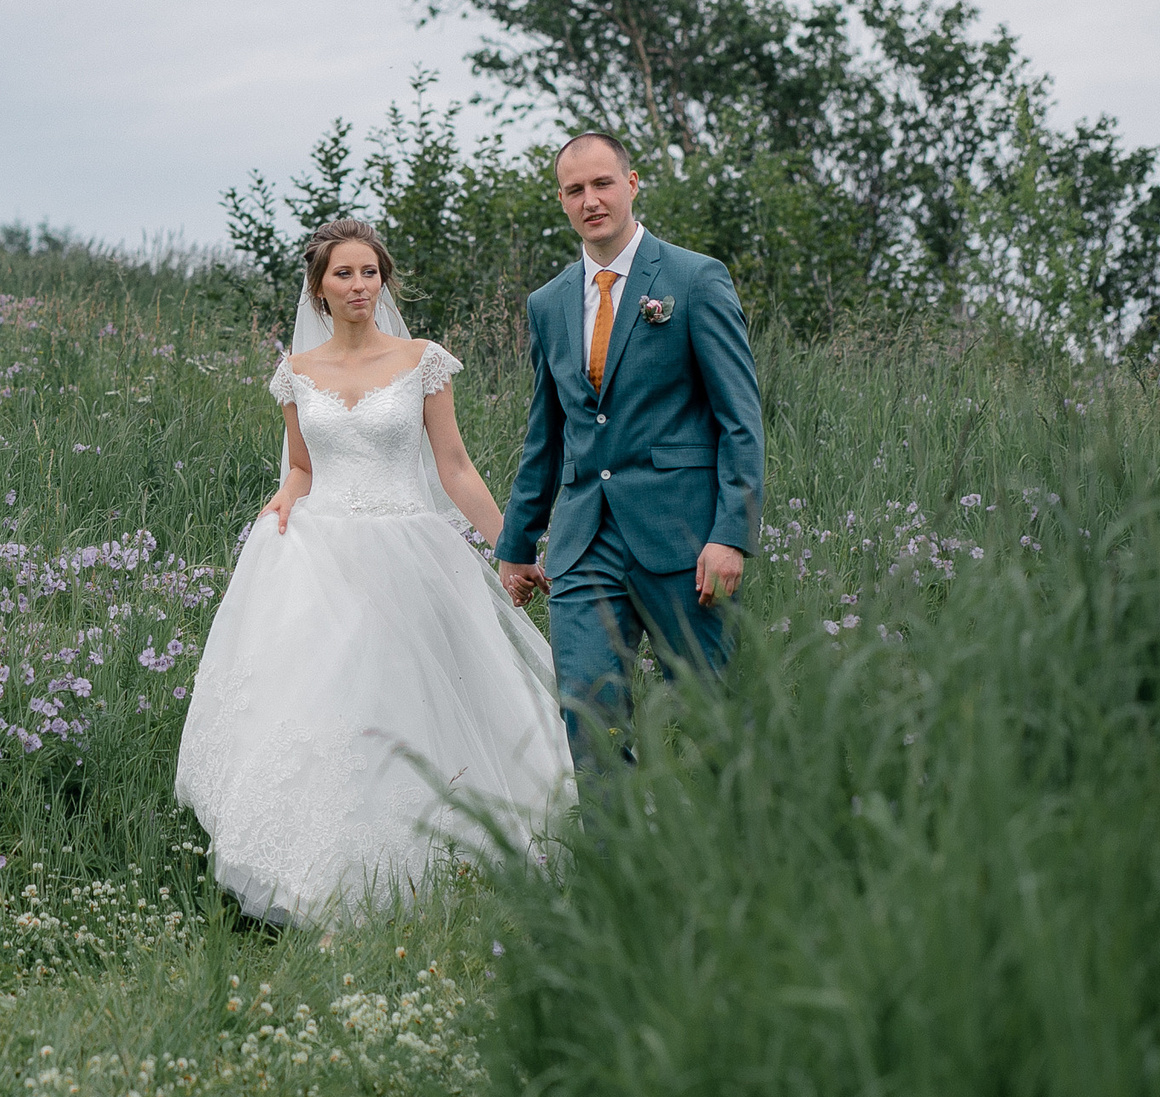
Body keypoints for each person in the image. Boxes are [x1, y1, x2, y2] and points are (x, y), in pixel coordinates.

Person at [175, 219, 572, 924]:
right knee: (322, 707)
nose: (359, 285)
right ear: (319, 289)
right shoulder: (297, 372)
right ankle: (318, 878)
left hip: (407, 549)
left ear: (383, 281)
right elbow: (303, 466)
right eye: (344, 274)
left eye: (370, 272)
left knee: (414, 700)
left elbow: (454, 467)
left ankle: (440, 867)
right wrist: (283, 501)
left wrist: (511, 546)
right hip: (317, 555)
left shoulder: (422, 361)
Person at [493, 133, 765, 765]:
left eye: (602, 184)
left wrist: (731, 534)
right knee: (590, 716)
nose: (590, 200)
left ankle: (735, 827)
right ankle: (611, 833)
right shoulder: (548, 303)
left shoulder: (694, 279)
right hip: (584, 541)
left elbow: (741, 419)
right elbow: (547, 432)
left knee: (712, 717)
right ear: (562, 200)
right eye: (575, 190)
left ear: (632, 183)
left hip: (685, 539)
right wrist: (517, 544)